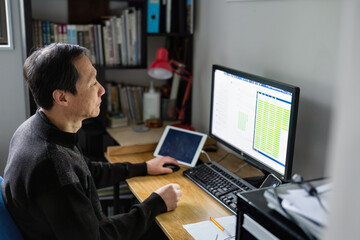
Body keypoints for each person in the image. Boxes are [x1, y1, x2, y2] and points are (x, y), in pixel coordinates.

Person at [1, 43, 182, 240]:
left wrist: (144, 167)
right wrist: (156, 203)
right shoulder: (51, 164)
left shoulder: (35, 129)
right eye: (92, 83)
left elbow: (86, 171)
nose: (102, 90)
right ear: (62, 97)